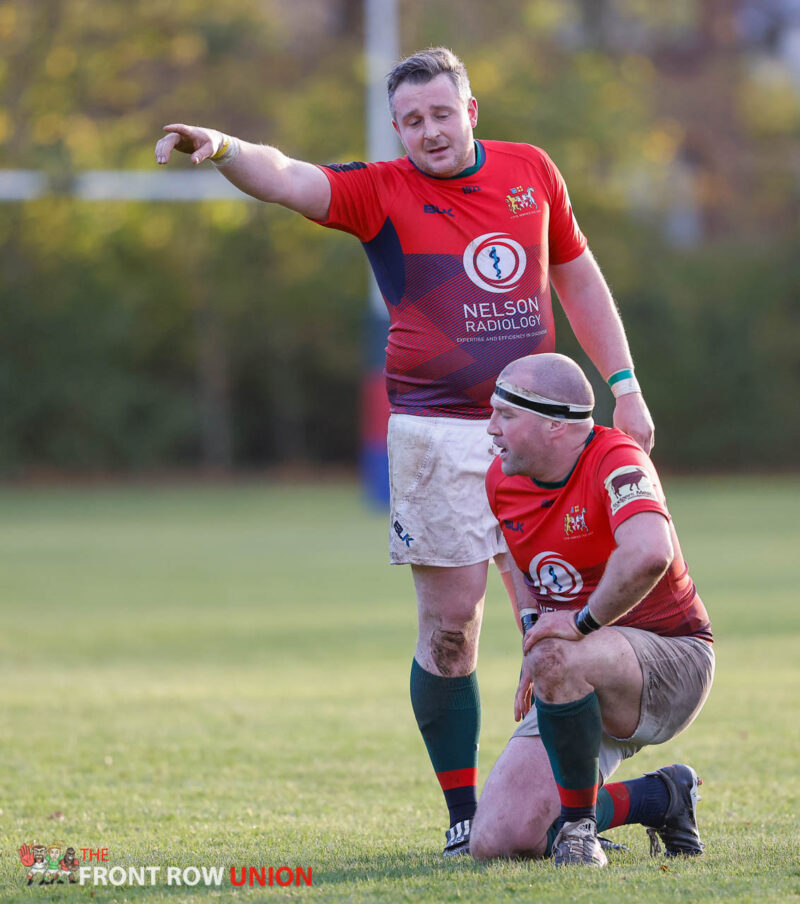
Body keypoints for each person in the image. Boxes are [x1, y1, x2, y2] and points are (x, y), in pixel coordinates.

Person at [154, 47, 655, 855]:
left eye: (442, 113)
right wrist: (223, 148)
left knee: (560, 625)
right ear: (397, 129)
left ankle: (576, 815)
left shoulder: (531, 171)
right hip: (435, 435)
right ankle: (464, 816)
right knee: (451, 630)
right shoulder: (381, 191)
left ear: (471, 111)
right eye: (413, 120)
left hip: (542, 436)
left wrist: (624, 384)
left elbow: (578, 274)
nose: (430, 131)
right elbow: (285, 176)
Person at [469, 353, 714, 866]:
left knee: (559, 656)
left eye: (505, 415)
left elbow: (650, 551)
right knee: (500, 840)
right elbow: (520, 563)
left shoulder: (618, 459)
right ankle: (662, 797)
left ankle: (579, 833)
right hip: (575, 667)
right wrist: (535, 637)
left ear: (555, 425)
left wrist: (576, 627)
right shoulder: (501, 479)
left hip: (673, 659)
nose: (491, 427)